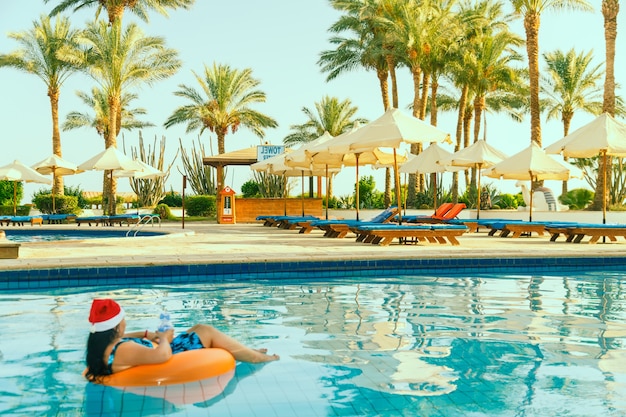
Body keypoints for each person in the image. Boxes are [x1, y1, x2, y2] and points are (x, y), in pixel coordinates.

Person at [85, 299, 279, 382]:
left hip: (156, 349)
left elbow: (124, 338)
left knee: (196, 329)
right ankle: (257, 358)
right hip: (170, 355)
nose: (125, 324)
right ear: (117, 325)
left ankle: (246, 350)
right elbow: (163, 356)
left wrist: (144, 333)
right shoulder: (124, 351)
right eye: (123, 320)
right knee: (206, 331)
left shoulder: (103, 344)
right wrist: (164, 337)